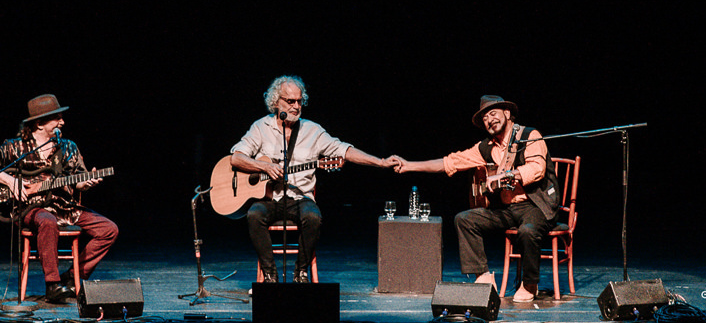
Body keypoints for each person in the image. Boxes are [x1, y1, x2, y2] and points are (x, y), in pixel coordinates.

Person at [230, 75, 401, 282]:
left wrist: (380, 162)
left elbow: (344, 149)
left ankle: (301, 271)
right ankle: (269, 274)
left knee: (313, 217)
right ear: (276, 102)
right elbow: (236, 158)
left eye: (299, 101)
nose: (296, 106)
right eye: (290, 101)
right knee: (254, 215)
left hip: (301, 198)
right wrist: (263, 166)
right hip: (269, 199)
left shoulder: (313, 131)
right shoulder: (260, 128)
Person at [394, 95, 559, 302]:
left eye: (493, 113)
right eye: (485, 118)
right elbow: (450, 162)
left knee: (527, 231)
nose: (489, 119)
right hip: (507, 209)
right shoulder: (485, 147)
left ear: (507, 114)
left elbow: (537, 169)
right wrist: (409, 165)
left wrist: (505, 175)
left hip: (536, 205)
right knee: (464, 219)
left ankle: (529, 284)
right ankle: (483, 277)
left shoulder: (529, 135)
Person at [0, 94, 119, 304]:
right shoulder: (16, 147)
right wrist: (10, 181)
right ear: (40, 123)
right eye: (57, 118)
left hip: (65, 207)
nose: (62, 122)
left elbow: (78, 180)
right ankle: (52, 285)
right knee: (47, 221)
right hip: (31, 209)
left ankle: (72, 277)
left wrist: (86, 182)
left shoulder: (68, 147)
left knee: (109, 229)